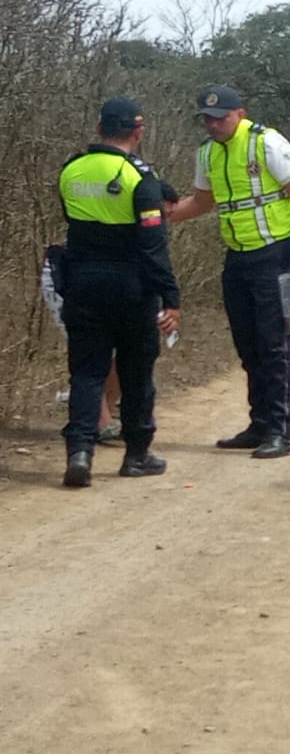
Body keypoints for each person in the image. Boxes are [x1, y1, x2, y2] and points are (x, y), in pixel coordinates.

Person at [168, 85, 290, 459]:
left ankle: (280, 431)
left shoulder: (264, 142)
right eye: (207, 118)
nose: (213, 124)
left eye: (220, 118)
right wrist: (162, 215)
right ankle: (259, 424)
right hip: (238, 253)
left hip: (276, 250)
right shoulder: (207, 153)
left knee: (274, 344)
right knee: (247, 343)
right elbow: (203, 201)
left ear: (240, 113)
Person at [55, 96, 182, 487]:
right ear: (137, 131)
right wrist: (171, 297)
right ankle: (137, 455)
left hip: (82, 286)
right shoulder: (140, 178)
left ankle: (79, 452)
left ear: (99, 129)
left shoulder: (71, 171)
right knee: (136, 373)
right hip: (132, 289)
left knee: (87, 373)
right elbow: (152, 246)